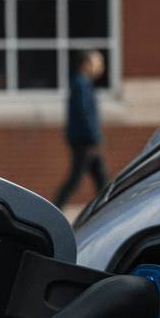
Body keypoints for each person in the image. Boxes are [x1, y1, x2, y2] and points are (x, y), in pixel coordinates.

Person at [55, 50, 109, 208]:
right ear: (86, 64)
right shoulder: (81, 84)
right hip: (85, 141)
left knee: (100, 178)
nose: (101, 68)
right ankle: (55, 208)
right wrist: (95, 138)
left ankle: (104, 208)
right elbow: (85, 114)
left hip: (84, 139)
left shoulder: (81, 83)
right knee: (78, 178)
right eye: (98, 63)